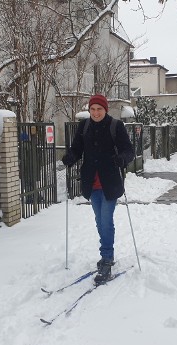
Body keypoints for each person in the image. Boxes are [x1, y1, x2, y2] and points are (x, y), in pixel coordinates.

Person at [61, 94, 135, 284]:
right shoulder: (84, 126)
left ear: (105, 110)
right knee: (99, 221)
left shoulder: (115, 126)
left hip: (109, 182)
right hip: (91, 183)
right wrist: (70, 156)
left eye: (99, 109)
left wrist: (122, 159)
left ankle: (107, 258)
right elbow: (77, 148)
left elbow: (128, 150)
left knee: (106, 220)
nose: (95, 113)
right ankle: (106, 254)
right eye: (92, 109)